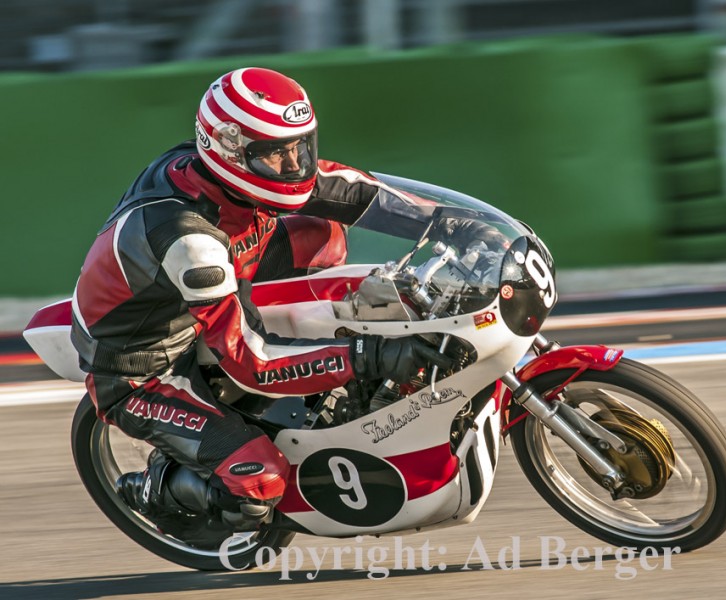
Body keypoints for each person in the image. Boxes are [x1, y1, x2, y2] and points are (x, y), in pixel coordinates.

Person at [70, 67, 454, 531]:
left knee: (321, 232)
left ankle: (317, 357)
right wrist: (369, 355)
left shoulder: (223, 170)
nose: (295, 166)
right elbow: (253, 363)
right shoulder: (187, 240)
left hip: (204, 286)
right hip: (145, 366)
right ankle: (156, 487)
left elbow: (345, 187)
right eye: (276, 153)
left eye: (300, 146)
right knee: (261, 482)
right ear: (230, 152)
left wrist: (446, 222)